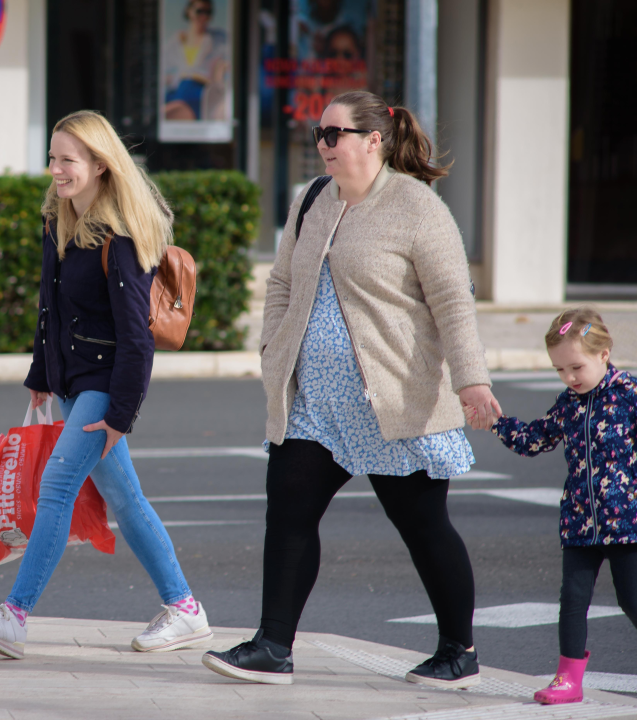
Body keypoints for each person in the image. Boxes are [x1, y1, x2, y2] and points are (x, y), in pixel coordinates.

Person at [202, 90, 502, 687]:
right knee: (288, 511)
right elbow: (282, 281)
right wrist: (272, 348)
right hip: (314, 402)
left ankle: (458, 650)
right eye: (319, 134)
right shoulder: (311, 200)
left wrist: (471, 379)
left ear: (374, 140)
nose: (323, 144)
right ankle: (272, 646)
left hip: (390, 403)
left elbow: (452, 302)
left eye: (335, 133)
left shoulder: (418, 207)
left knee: (421, 525)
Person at [0, 110, 211, 659]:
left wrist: (121, 414)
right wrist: (41, 377)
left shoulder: (117, 239)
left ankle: (15, 614)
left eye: (67, 160)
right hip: (70, 382)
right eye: (52, 158)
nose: (55, 170)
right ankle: (186, 609)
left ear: (99, 165)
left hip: (103, 386)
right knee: (126, 497)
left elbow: (136, 339)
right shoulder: (57, 221)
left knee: (56, 487)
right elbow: (51, 308)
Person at [473, 308, 637, 704]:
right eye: (559, 370)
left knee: (631, 599)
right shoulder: (569, 402)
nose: (569, 378)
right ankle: (568, 679)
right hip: (580, 524)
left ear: (604, 354)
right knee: (572, 602)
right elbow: (535, 440)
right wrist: (496, 422)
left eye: (576, 367)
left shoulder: (629, 395)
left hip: (628, 525)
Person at [162, 0, 229, 121]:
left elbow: (226, 66)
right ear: (189, 12)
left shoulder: (220, 40)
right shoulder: (174, 43)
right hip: (176, 90)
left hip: (199, 93)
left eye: (208, 12)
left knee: (172, 112)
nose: (204, 16)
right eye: (200, 11)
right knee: (163, 113)